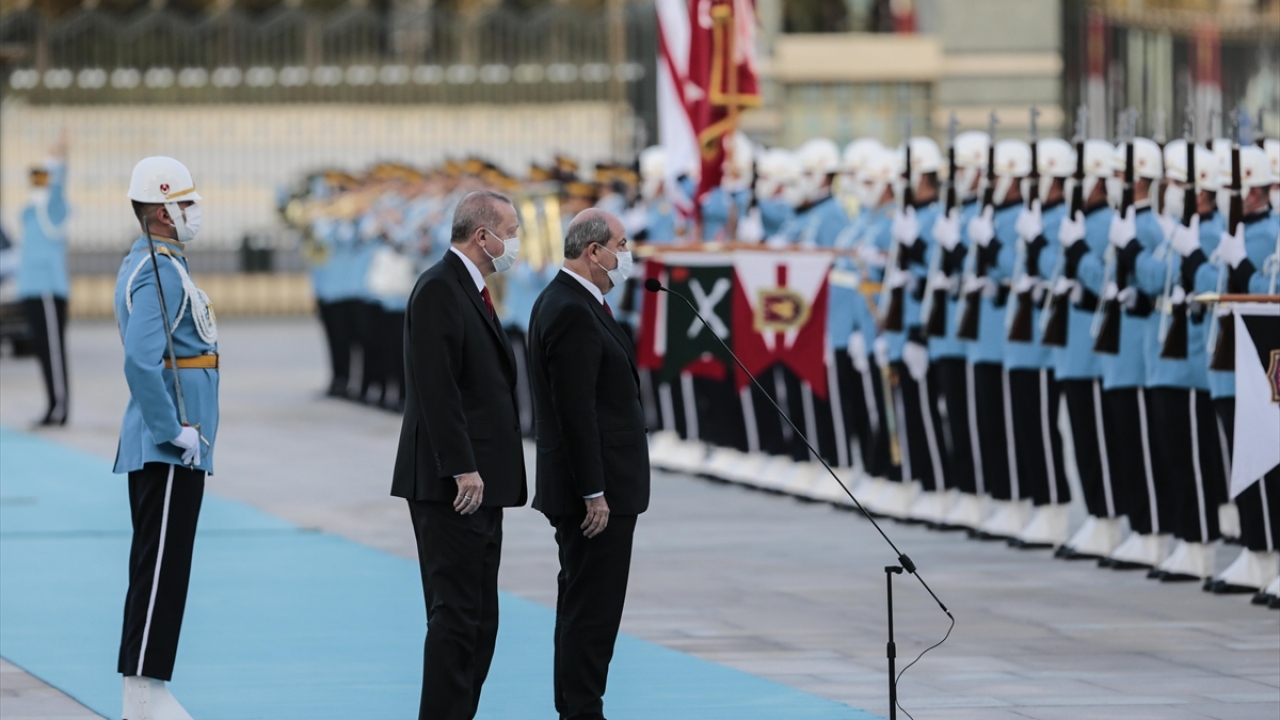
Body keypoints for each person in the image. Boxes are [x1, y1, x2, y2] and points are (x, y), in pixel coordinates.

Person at [391, 190, 528, 720]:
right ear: (482, 236)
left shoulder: (473, 289)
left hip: (481, 481)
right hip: (451, 484)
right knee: (454, 617)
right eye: (510, 231)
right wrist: (462, 466)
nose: (514, 242)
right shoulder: (438, 289)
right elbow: (435, 387)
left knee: (480, 620)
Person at [527, 209, 650, 720]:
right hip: (594, 493)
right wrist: (593, 490)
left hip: (602, 485)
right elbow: (575, 410)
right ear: (593, 250)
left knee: (589, 606)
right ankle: (581, 710)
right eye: (620, 245)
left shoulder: (580, 301)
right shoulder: (571, 308)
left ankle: (578, 706)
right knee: (591, 610)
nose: (626, 256)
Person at [115, 156, 219, 720]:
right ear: (161, 212)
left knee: (165, 562)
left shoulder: (166, 265)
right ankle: (142, 690)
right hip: (169, 444)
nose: (193, 213)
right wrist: (171, 429)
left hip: (180, 443)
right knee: (159, 566)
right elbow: (140, 359)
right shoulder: (158, 270)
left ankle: (149, 685)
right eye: (185, 204)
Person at [16, 134, 71, 426]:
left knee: (53, 349)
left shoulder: (53, 210)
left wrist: (58, 160)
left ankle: (59, 406)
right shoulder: (29, 214)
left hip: (49, 289)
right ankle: (52, 403)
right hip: (31, 289)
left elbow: (59, 188)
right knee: (41, 348)